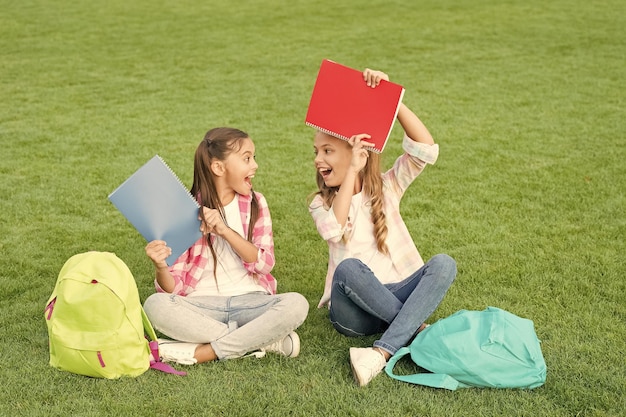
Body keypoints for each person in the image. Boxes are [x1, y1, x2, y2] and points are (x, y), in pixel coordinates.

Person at [309, 68, 457, 386]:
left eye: (327, 150)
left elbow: (426, 149)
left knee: (444, 264)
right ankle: (415, 330)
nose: (318, 159)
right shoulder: (320, 203)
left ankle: (380, 353)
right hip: (353, 313)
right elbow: (333, 230)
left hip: (393, 294)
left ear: (356, 150)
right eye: (317, 151)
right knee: (349, 268)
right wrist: (350, 173)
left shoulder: (387, 187)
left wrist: (393, 99)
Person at [144, 127, 309, 365]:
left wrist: (224, 231)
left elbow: (264, 264)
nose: (255, 165)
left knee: (296, 304)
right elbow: (171, 289)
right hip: (201, 304)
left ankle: (205, 351)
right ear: (219, 168)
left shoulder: (256, 203)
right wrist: (160, 266)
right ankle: (260, 341)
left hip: (251, 301)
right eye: (247, 158)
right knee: (155, 305)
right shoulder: (184, 211)